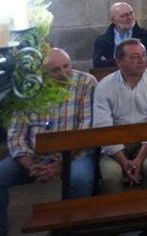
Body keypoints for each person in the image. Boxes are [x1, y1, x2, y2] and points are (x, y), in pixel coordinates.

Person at [0, 48, 96, 233]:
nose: (63, 72)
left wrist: (60, 164)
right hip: (33, 156)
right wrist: (30, 164)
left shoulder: (85, 82)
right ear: (42, 72)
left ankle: (73, 231)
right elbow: (16, 133)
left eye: (66, 66)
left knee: (80, 179)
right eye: (55, 70)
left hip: (75, 154)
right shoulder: (27, 87)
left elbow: (86, 129)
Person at [93, 39, 147, 194]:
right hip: (114, 142)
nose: (141, 60)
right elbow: (103, 128)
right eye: (134, 57)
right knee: (111, 176)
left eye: (144, 55)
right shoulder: (104, 86)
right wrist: (123, 161)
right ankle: (119, 215)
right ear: (119, 61)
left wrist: (140, 158)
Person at [92, 2, 147, 68]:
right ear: (113, 20)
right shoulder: (102, 41)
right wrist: (128, 60)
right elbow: (98, 63)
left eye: (131, 13)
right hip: (112, 75)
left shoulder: (145, 35)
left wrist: (120, 61)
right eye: (123, 16)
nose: (129, 17)